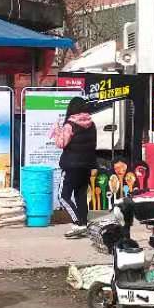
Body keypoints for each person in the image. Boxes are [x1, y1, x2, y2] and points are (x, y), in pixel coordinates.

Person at [55, 97, 98, 238]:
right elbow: (93, 145)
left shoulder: (70, 125)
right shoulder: (91, 124)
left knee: (63, 196)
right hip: (87, 165)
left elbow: (61, 143)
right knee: (80, 195)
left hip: (71, 166)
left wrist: (57, 131)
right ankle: (84, 223)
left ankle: (78, 222)